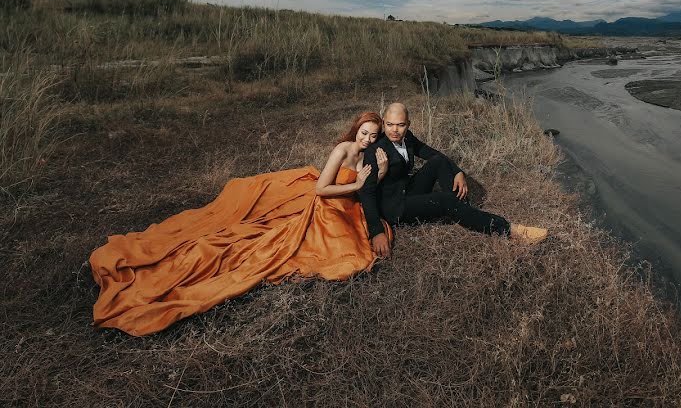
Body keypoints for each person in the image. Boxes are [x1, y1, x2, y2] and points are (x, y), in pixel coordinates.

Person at [89, 111, 392, 336]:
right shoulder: (342, 150)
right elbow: (321, 189)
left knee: (357, 249)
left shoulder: (368, 155)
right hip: (325, 206)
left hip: (347, 208)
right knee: (256, 248)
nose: (366, 139)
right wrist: (355, 186)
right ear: (356, 129)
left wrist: (379, 172)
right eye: (363, 133)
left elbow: (367, 189)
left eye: (372, 135)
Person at [359, 103, 547, 258]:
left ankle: (465, 213)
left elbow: (431, 153)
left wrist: (457, 171)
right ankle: (510, 231)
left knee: (439, 162)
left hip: (407, 190)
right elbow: (366, 192)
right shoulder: (375, 150)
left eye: (400, 125)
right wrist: (377, 232)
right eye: (390, 124)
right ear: (383, 123)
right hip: (394, 207)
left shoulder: (407, 137)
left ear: (408, 123)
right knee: (445, 200)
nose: (395, 130)